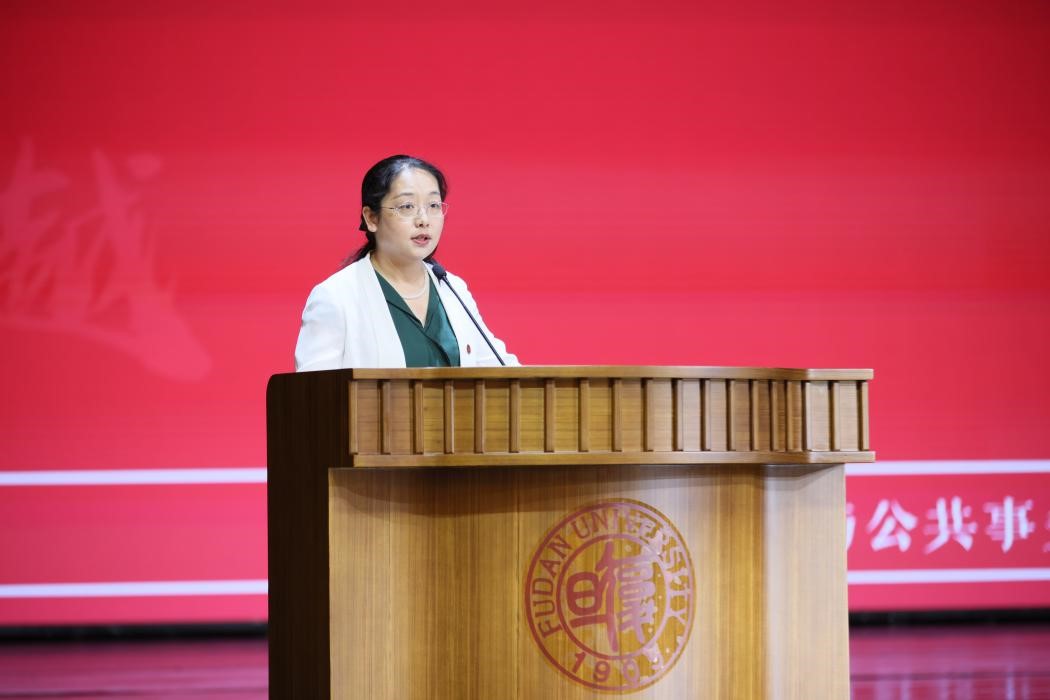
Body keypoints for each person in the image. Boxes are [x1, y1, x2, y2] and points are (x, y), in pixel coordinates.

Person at [294, 155, 518, 370]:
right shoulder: (336, 296)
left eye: (434, 205)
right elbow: (316, 391)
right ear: (371, 218)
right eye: (407, 206)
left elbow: (500, 369)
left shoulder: (453, 289)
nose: (424, 220)